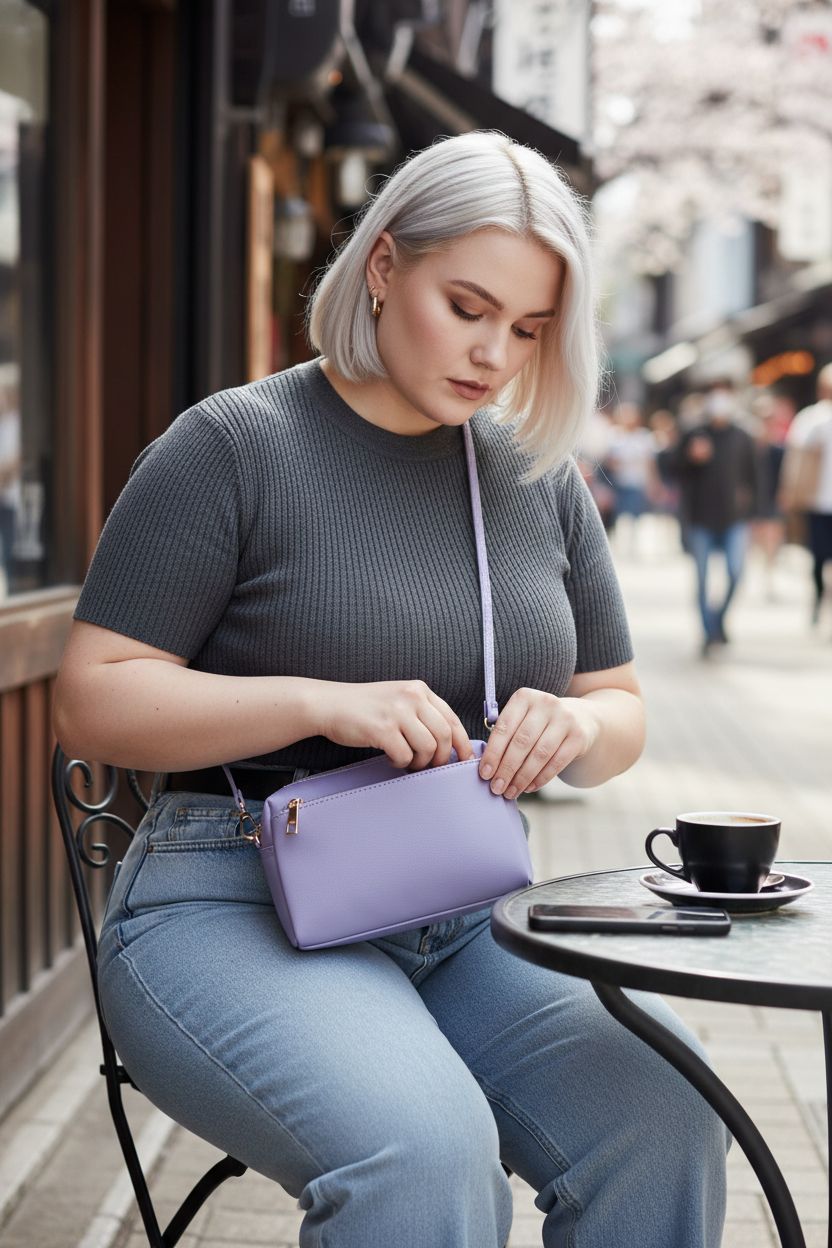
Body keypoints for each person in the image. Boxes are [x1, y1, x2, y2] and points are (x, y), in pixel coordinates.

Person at [53, 130, 727, 1248]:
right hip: (228, 901)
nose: (493, 354)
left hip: (456, 906)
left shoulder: (530, 474)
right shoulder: (232, 445)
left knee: (666, 1109)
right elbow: (94, 697)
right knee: (423, 1156)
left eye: (526, 328)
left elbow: (621, 713)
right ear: (382, 266)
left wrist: (573, 725)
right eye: (467, 307)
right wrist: (319, 703)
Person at [669, 378, 760, 655]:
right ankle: (709, 633)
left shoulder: (742, 435)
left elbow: (754, 477)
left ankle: (718, 620)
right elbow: (672, 468)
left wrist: (756, 513)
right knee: (702, 579)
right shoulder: (694, 433)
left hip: (735, 519)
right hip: (700, 519)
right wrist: (690, 457)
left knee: (735, 573)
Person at [780, 364, 832, 624]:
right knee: (819, 557)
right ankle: (819, 597)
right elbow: (796, 457)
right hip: (817, 501)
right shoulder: (812, 420)